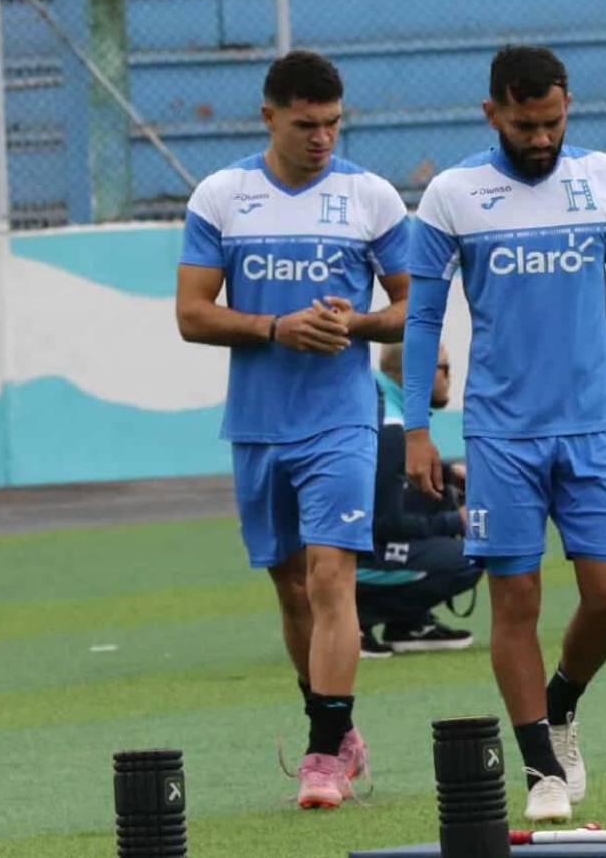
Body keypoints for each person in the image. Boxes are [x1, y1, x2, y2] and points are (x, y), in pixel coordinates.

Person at [401, 45, 606, 822]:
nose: (543, 137)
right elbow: (422, 318)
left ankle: (562, 701)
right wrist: (418, 427)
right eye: (526, 124)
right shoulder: (452, 195)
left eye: (554, 121)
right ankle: (540, 769)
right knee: (513, 599)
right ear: (493, 114)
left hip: (593, 428)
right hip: (501, 437)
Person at [175, 50, 410, 810]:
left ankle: (320, 754)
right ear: (269, 116)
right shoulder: (222, 195)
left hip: (342, 417)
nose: (322, 139)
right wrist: (277, 328)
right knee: (290, 587)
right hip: (257, 424)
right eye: (306, 124)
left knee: (330, 576)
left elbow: (414, 306)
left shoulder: (370, 197)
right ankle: (338, 729)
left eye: (333, 124)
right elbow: (192, 314)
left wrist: (358, 323)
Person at [357, 343, 482, 657]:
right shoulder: (391, 428)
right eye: (445, 369)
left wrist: (447, 473)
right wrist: (457, 521)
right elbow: (383, 523)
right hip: (342, 553)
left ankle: (409, 623)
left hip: (337, 542)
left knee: (438, 494)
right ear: (420, 373)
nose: (450, 378)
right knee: (472, 554)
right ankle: (352, 619)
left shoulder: (380, 401)